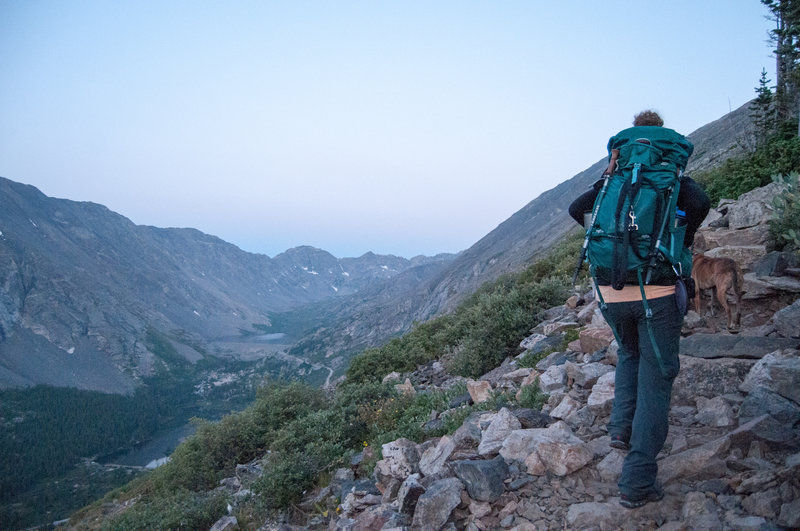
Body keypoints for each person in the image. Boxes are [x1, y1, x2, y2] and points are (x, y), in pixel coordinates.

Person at [568, 110, 710, 509]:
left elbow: (575, 208)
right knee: (657, 376)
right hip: (657, 295)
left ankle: (619, 430)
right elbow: (700, 202)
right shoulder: (671, 180)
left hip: (611, 294)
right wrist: (680, 234)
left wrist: (609, 180)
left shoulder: (613, 181)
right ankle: (637, 481)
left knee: (629, 353)